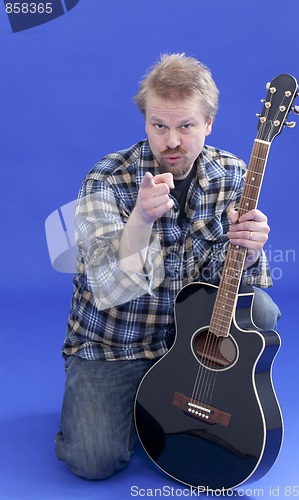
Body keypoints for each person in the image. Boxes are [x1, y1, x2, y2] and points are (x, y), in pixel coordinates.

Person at [55, 53, 281, 480]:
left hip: (189, 344)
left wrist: (249, 251)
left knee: (262, 312)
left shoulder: (232, 174)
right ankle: (112, 405)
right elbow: (107, 289)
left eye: (186, 126)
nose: (171, 141)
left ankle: (230, 392)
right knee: (93, 462)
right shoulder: (106, 180)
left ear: (208, 123)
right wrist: (139, 221)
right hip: (118, 344)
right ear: (145, 123)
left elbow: (233, 282)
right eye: (159, 126)